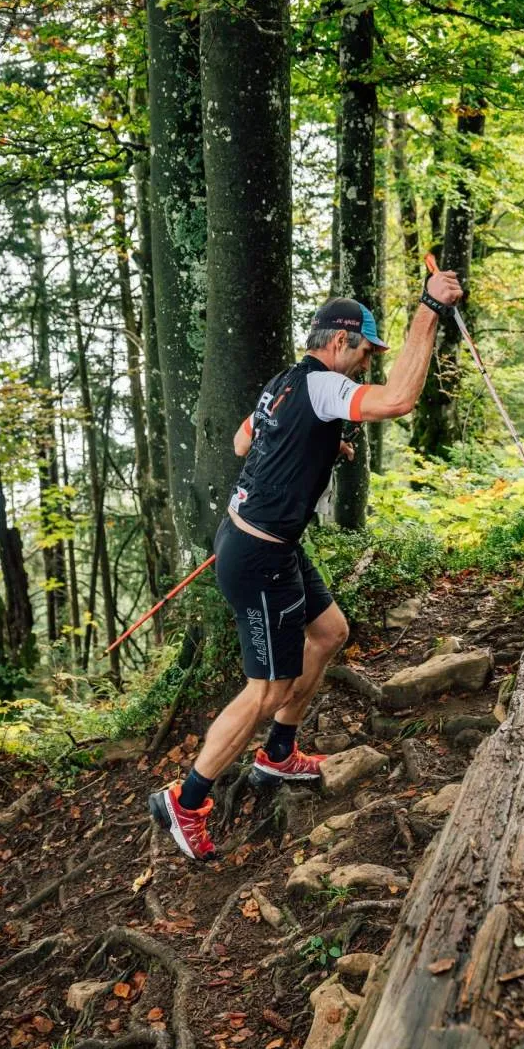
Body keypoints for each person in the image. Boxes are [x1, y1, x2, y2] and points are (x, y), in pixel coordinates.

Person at [149, 269, 462, 860]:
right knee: (267, 688)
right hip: (258, 557)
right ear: (340, 342)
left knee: (329, 632)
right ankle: (185, 802)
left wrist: (321, 443)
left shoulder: (284, 384)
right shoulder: (323, 384)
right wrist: (430, 308)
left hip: (270, 544)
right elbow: (398, 400)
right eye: (367, 351)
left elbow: (246, 442)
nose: (368, 364)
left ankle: (278, 755)